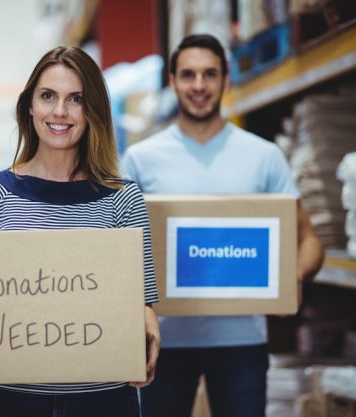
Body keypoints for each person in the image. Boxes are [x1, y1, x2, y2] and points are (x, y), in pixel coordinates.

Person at [0, 46, 160, 417]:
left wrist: (150, 338)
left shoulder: (123, 199)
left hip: (103, 399)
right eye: (47, 96)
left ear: (94, 112)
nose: (60, 112)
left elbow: (143, 304)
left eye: (76, 99)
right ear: (29, 106)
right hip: (11, 398)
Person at [121, 34, 324, 417]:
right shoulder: (140, 160)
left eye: (210, 74)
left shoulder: (263, 156)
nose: (199, 86)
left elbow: (309, 239)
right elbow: (118, 247)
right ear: (173, 81)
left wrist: (290, 277)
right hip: (164, 342)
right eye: (189, 75)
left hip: (241, 342)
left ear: (226, 80)